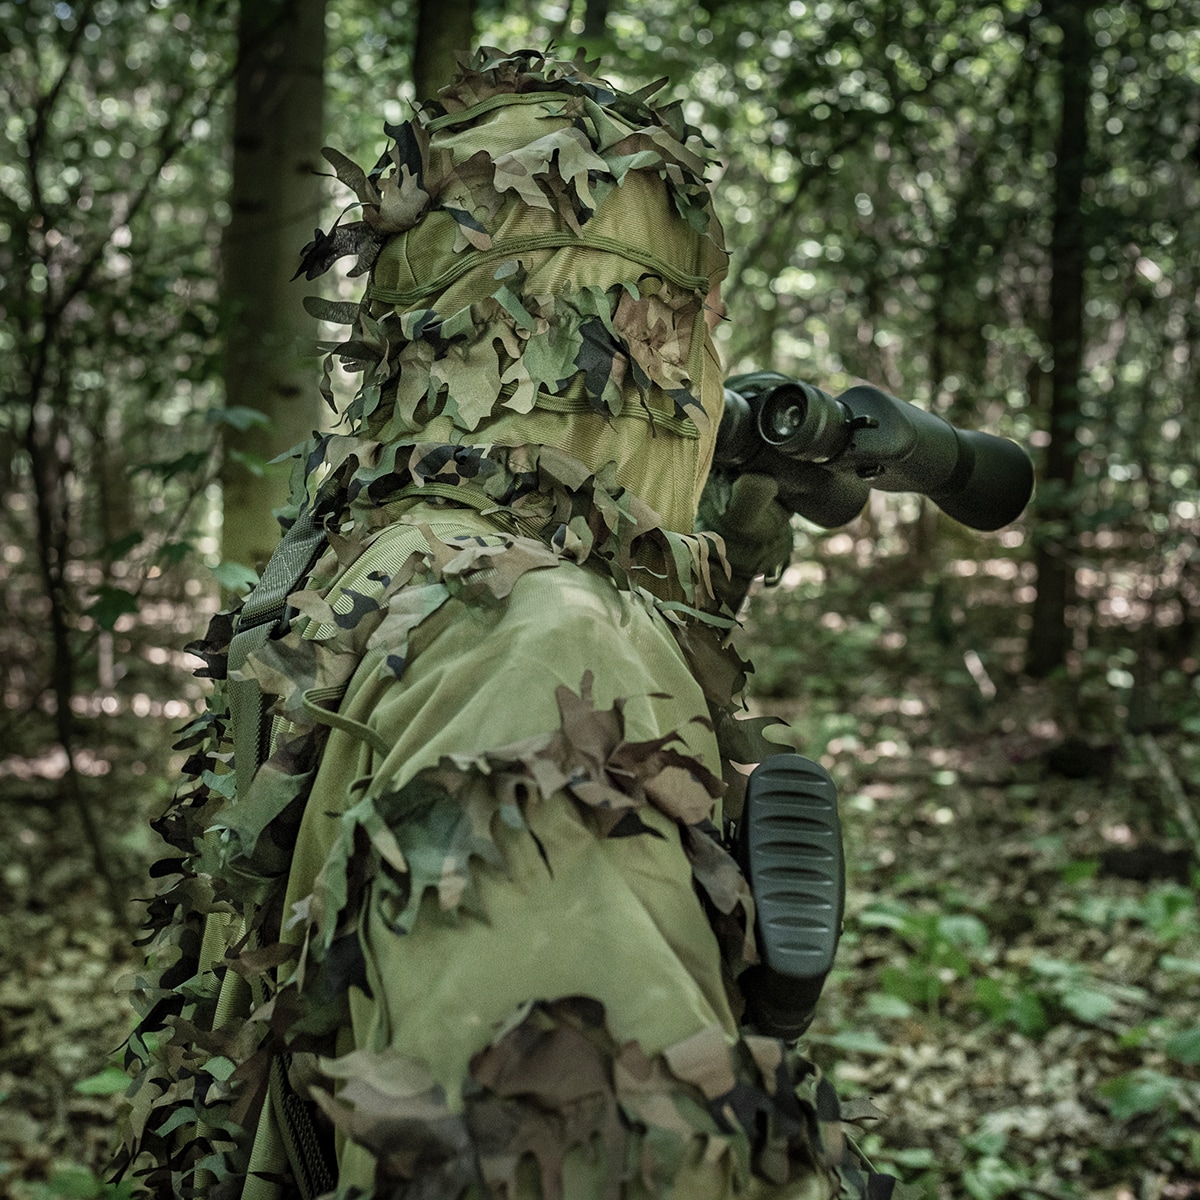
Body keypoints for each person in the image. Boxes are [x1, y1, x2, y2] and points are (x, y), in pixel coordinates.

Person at [117, 47, 895, 1200]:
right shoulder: (544, 645)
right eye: (699, 322)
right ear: (653, 340)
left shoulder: (351, 574)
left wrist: (691, 571)